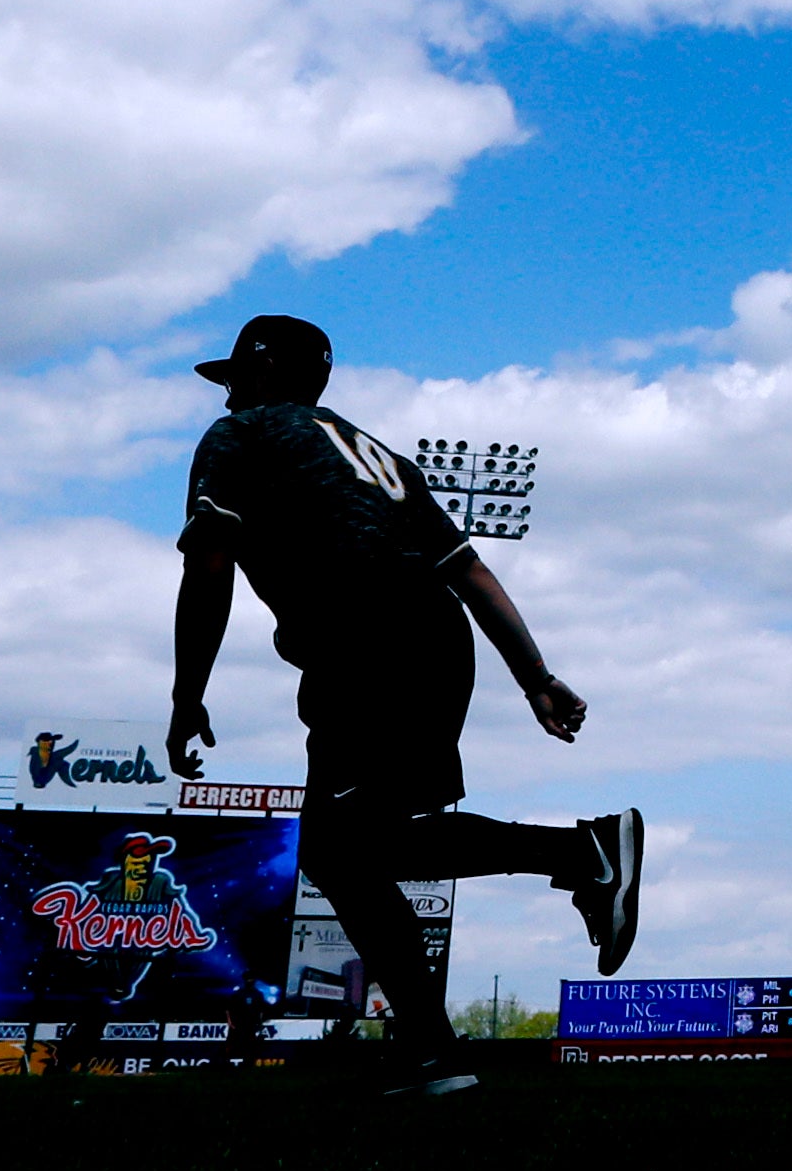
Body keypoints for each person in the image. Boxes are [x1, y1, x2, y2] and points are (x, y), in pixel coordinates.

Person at [166, 313, 643, 1097]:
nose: (223, 398)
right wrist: (535, 677)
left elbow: (210, 563)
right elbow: (470, 571)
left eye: (231, 380)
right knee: (362, 849)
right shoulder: (377, 454)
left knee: (342, 852)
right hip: (432, 635)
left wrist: (188, 696)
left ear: (256, 371)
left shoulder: (240, 436)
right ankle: (443, 1040)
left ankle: (571, 868)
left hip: (365, 637)